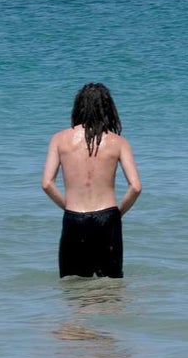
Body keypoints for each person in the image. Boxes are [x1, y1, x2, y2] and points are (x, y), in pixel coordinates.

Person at [42, 83, 142, 278]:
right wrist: (117, 213)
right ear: (108, 109)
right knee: (111, 284)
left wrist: (67, 206)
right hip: (107, 217)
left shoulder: (59, 139)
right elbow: (136, 187)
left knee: (74, 284)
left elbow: (47, 183)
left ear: (79, 107)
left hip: (74, 217)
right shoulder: (118, 142)